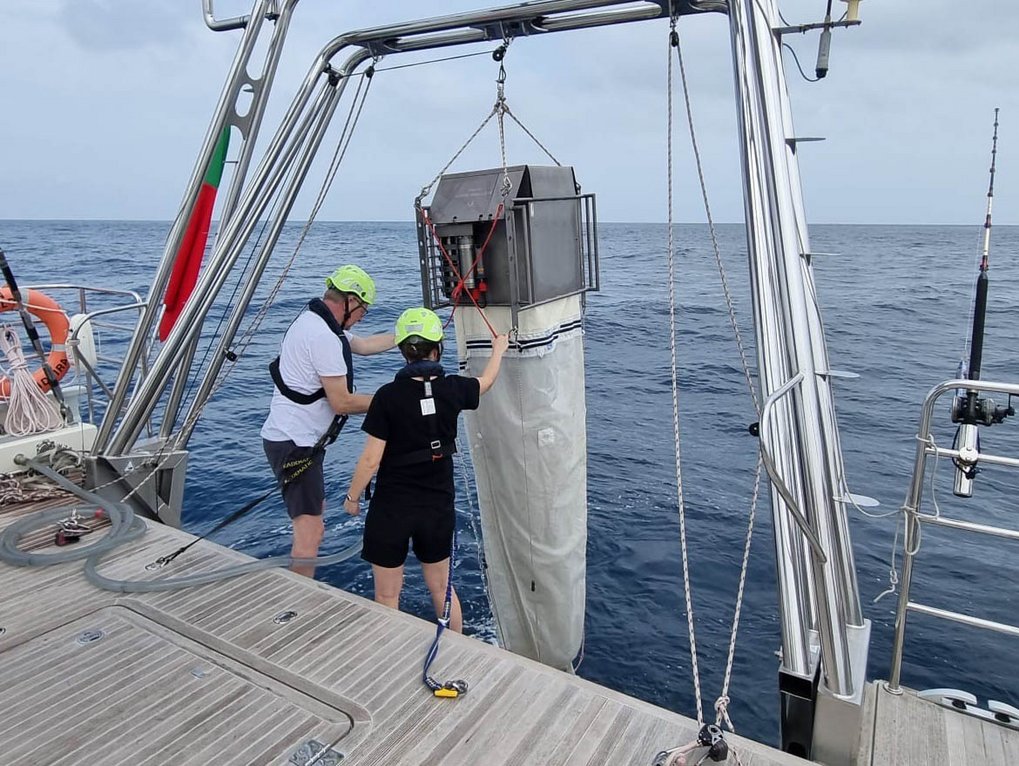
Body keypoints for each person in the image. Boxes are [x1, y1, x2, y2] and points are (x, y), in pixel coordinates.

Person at [344, 307, 509, 632]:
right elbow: (486, 382)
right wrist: (499, 349)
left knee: (388, 594)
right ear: (437, 348)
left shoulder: (387, 397)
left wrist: (352, 498)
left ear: (404, 350)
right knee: (441, 588)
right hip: (437, 505)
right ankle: (455, 648)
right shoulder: (454, 389)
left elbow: (370, 460)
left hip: (392, 508)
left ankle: (390, 653)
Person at [261, 264, 395, 578]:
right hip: (296, 445)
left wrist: (407, 333)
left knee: (313, 525)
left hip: (294, 440)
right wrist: (395, 401)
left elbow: (362, 346)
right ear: (350, 301)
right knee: (310, 535)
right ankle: (298, 606)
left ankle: (299, 594)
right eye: (364, 309)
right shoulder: (323, 337)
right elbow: (342, 402)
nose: (363, 315)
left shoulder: (314, 322)